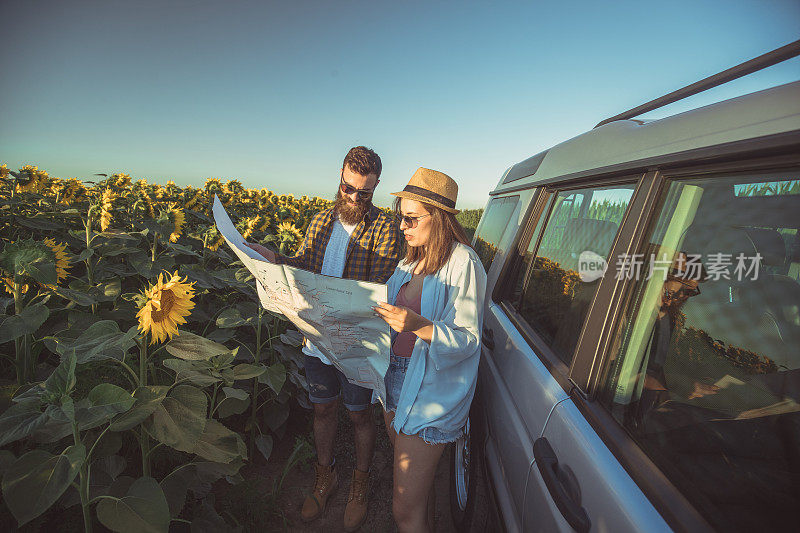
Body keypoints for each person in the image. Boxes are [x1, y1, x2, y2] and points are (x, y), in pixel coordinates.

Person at [245, 146, 402, 531]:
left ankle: (359, 482)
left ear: (376, 187)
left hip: (353, 342)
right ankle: (325, 476)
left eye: (363, 193)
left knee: (359, 414)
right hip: (317, 339)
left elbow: (375, 287)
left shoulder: (384, 229)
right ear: (341, 177)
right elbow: (304, 265)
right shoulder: (319, 222)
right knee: (323, 409)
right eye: (347, 187)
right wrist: (275, 260)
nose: (352, 197)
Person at [373, 167, 487, 533]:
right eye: (399, 217)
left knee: (403, 509)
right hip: (395, 377)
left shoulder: (463, 262)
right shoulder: (411, 260)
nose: (402, 226)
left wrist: (417, 325)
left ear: (436, 218)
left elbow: (468, 339)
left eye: (410, 218)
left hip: (429, 391)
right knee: (417, 497)